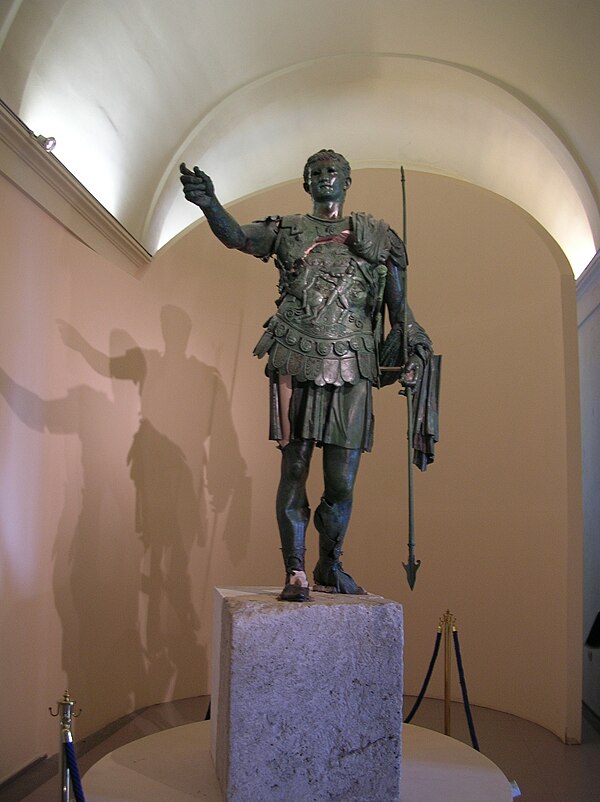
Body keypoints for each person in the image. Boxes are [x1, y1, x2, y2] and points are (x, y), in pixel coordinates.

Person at [180, 149, 437, 602]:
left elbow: (401, 312)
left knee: (341, 481)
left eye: (332, 172)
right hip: (297, 355)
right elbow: (239, 237)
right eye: (315, 172)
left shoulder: (378, 237)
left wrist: (414, 347)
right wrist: (210, 205)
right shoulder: (287, 230)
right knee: (294, 467)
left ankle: (329, 562)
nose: (324, 178)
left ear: (347, 180)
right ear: (305, 182)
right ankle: (295, 569)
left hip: (353, 361)